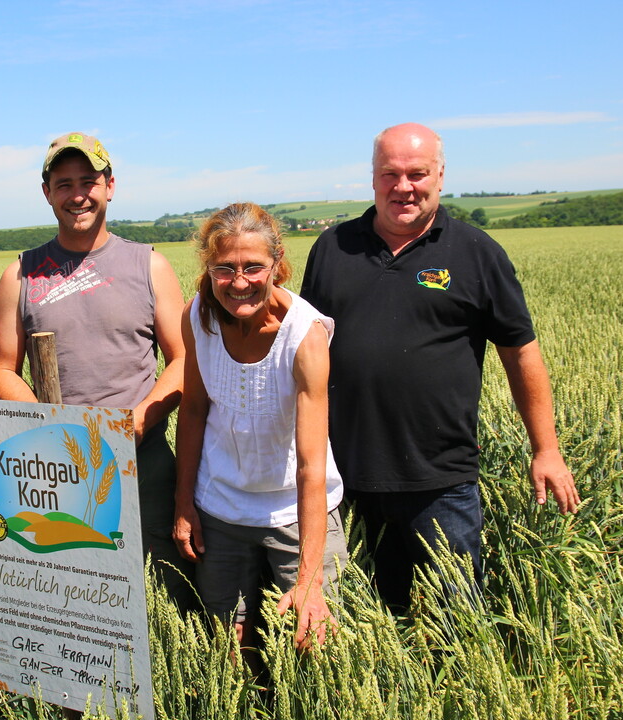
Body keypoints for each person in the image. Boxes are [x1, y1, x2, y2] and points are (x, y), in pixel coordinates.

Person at [300, 123, 581, 613]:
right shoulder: (333, 248)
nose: (403, 187)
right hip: (344, 478)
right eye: (390, 174)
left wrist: (547, 449)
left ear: (440, 176)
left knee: (456, 619)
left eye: (417, 174)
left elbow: (521, 353)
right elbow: (303, 349)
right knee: (363, 620)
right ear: (373, 177)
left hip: (440, 479)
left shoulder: (476, 253)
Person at [0, 132, 197, 609]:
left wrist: (138, 423)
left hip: (144, 462)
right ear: (47, 192)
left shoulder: (150, 266)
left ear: (110, 186)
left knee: (164, 595)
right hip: (56, 472)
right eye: (64, 184)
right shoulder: (20, 274)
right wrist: (52, 430)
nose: (77, 194)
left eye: (88, 181)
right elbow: (2, 369)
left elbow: (183, 360)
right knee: (75, 600)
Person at [173, 203, 346, 651]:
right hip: (221, 507)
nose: (239, 282)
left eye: (253, 267)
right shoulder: (198, 317)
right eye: (224, 269)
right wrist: (184, 502)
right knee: (229, 644)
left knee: (313, 642)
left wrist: (309, 579)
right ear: (208, 268)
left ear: (276, 263)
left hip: (295, 511)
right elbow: (193, 411)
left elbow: (310, 465)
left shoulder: (304, 335)